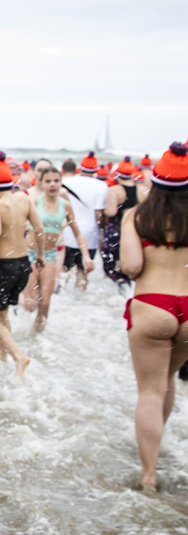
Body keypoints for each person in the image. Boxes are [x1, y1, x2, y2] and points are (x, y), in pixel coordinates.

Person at [120, 142, 188, 493]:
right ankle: (157, 445)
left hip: (153, 305)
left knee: (149, 390)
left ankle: (149, 474)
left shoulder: (138, 216)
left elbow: (131, 266)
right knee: (168, 379)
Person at [0, 151, 45, 379]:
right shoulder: (24, 199)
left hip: (2, 266)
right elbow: (39, 229)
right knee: (2, 314)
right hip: (23, 264)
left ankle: (19, 356)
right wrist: (40, 255)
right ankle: (3, 358)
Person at [24, 166, 92, 332]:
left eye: (56, 181)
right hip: (31, 254)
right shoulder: (35, 202)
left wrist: (86, 256)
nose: (52, 184)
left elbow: (77, 233)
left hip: (50, 255)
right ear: (41, 183)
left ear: (61, 183)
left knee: (45, 302)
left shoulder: (65, 205)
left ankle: (37, 336)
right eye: (48, 181)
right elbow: (20, 227)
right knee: (30, 304)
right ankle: (22, 332)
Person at [62, 154, 105, 290]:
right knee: (83, 271)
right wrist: (101, 229)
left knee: (64, 271)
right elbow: (99, 213)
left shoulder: (67, 181)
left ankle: (60, 297)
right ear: (96, 170)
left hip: (69, 232)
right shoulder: (101, 185)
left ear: (80, 168)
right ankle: (79, 299)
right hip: (90, 235)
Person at [103, 156, 140, 291]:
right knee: (128, 260)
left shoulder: (115, 190)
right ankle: (127, 284)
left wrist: (103, 210)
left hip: (116, 229)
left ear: (117, 175)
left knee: (112, 261)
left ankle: (118, 284)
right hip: (134, 229)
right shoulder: (140, 190)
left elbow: (112, 212)